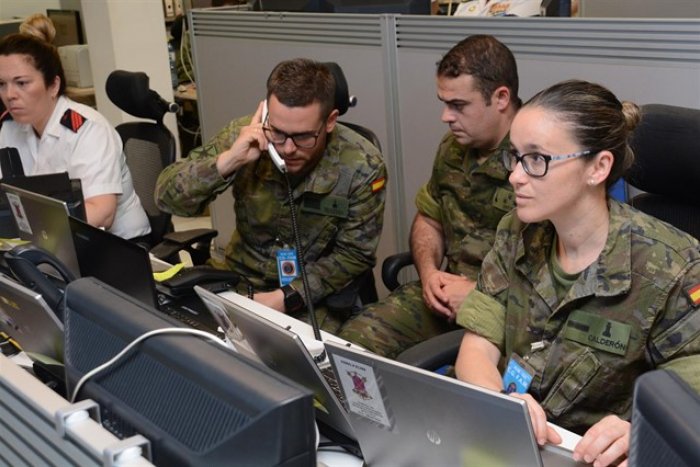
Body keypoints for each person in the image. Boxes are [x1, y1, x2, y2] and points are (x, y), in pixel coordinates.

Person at [454, 79, 700, 466]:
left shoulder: (671, 264)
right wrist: (503, 403)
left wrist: (638, 429)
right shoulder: (516, 232)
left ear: (598, 167)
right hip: (509, 441)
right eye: (515, 156)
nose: (516, 175)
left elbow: (692, 394)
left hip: (592, 457)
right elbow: (476, 347)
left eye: (536, 159)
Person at [155, 58, 387, 333]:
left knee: (289, 364)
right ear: (265, 113)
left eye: (302, 137)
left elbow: (354, 255)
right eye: (277, 132)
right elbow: (167, 198)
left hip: (310, 293)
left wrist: (285, 298)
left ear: (330, 121)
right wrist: (230, 160)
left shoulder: (362, 165)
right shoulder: (244, 135)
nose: (288, 148)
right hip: (237, 280)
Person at [337, 34, 519, 358]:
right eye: (444, 103)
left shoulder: (538, 156)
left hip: (514, 316)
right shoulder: (453, 149)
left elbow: (563, 271)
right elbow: (429, 219)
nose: (446, 117)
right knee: (352, 344)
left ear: (501, 98)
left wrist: (483, 296)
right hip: (445, 296)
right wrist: (429, 273)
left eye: (458, 105)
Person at [0, 33, 150, 240]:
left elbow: (102, 212)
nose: (9, 94)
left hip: (116, 244)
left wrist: (38, 231)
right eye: (1, 84)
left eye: (22, 83)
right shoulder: (10, 127)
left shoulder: (88, 129)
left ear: (53, 85)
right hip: (52, 241)